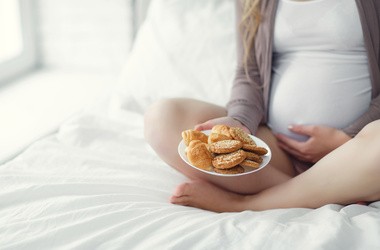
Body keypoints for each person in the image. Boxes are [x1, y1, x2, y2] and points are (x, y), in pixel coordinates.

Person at [144, 0, 380, 212]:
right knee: (162, 118)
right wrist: (238, 121)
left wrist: (344, 139)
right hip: (276, 152)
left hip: (356, 148)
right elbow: (250, 73)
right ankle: (331, 189)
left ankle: (245, 203)